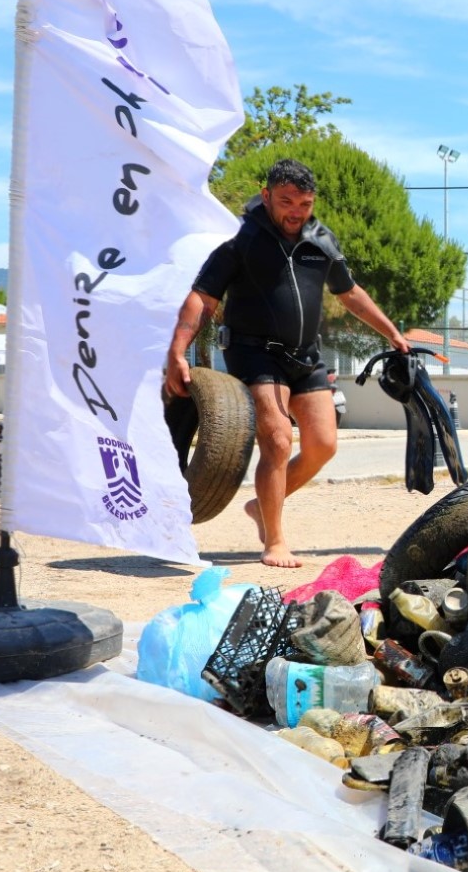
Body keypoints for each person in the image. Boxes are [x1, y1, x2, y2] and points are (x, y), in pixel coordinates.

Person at [165, 158, 409, 568]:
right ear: (266, 196)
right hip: (254, 351)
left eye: (305, 203)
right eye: (287, 201)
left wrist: (392, 332)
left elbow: (349, 294)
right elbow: (202, 298)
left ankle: (262, 507)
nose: (296, 211)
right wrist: (177, 351)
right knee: (278, 439)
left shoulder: (321, 240)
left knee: (324, 445)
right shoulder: (239, 239)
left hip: (305, 355)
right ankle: (275, 541)